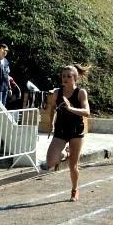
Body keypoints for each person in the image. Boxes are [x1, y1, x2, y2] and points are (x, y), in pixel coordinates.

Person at [45, 65, 91, 202]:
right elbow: (52, 108)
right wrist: (51, 122)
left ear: (75, 78)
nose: (65, 78)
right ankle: (66, 153)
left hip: (76, 130)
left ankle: (75, 189)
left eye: (68, 76)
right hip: (61, 129)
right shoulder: (57, 93)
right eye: (63, 76)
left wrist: (70, 108)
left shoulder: (80, 93)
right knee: (50, 162)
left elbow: (87, 112)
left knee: (73, 166)